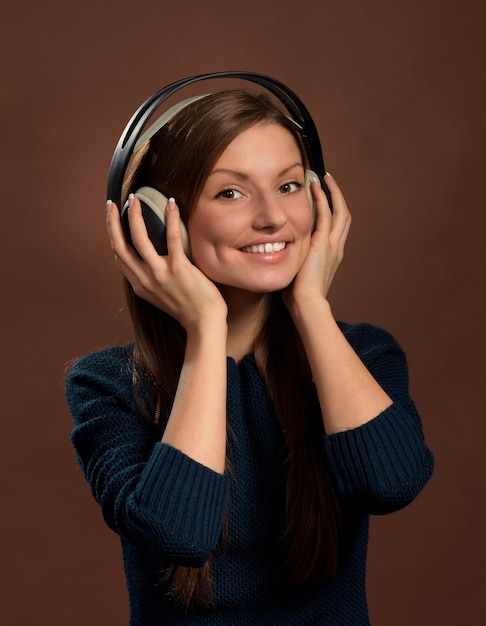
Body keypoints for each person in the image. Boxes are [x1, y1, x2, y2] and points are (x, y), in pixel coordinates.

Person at [65, 87, 434, 625]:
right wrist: (207, 330)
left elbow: (391, 483)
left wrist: (310, 306)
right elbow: (177, 534)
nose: (272, 218)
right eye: (231, 194)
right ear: (150, 222)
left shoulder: (362, 354)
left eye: (288, 186)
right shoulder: (107, 385)